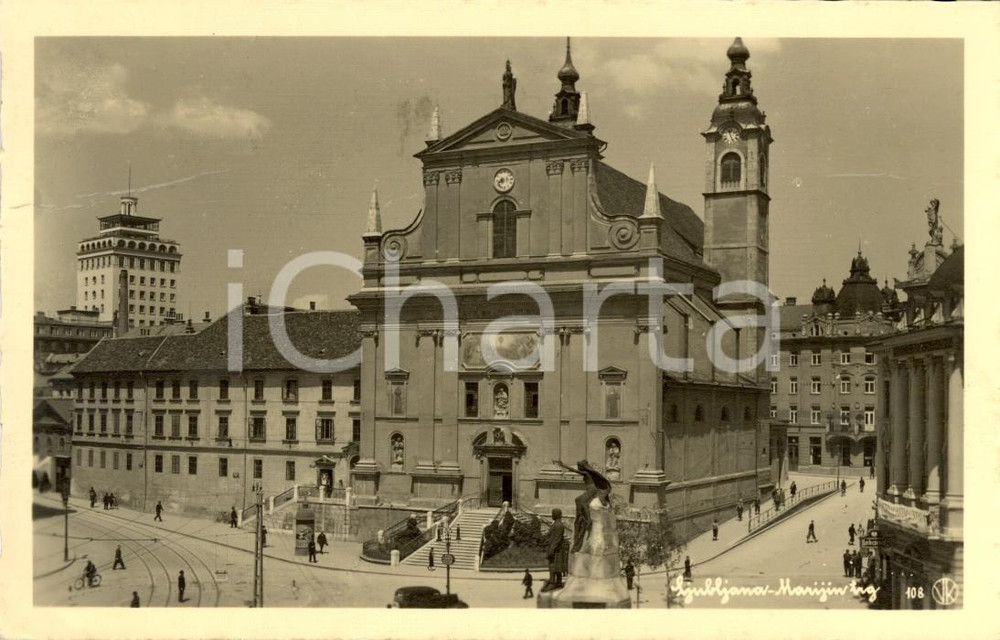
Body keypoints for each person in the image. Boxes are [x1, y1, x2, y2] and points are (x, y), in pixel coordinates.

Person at [544, 508, 567, 591]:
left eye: (553, 513)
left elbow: (557, 539)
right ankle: (558, 582)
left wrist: (552, 549)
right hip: (556, 548)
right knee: (557, 566)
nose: (552, 515)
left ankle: (553, 582)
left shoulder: (558, 525)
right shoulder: (557, 524)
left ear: (556, 515)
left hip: (557, 549)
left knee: (554, 565)